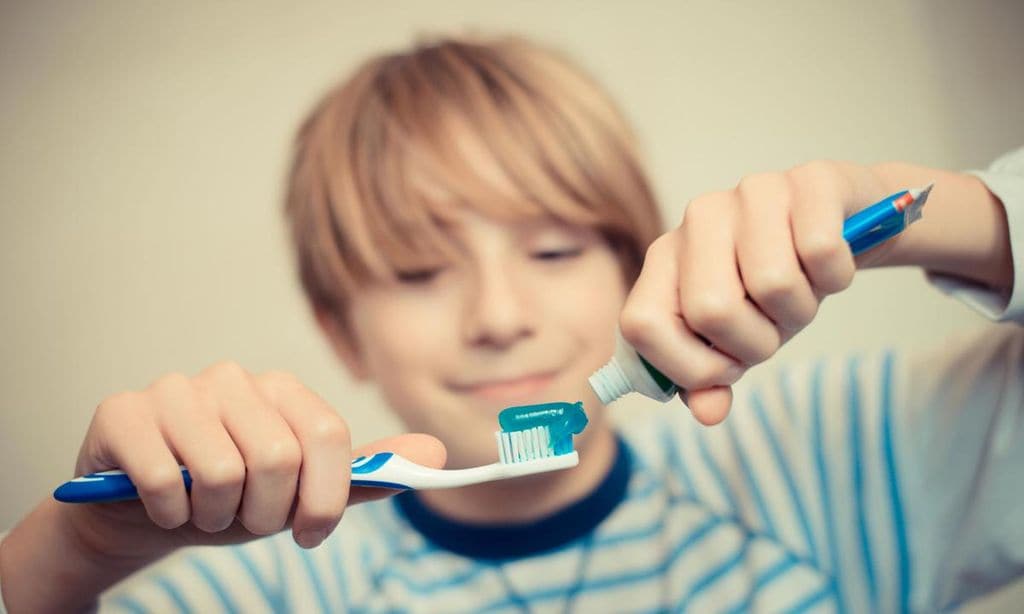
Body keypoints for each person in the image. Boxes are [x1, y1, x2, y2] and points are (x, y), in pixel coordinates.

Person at [0, 35, 1021, 613]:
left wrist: (926, 207)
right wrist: (72, 553)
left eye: (552, 251)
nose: (498, 317)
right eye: (415, 270)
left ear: (633, 263)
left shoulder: (832, 460)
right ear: (342, 330)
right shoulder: (256, 595)